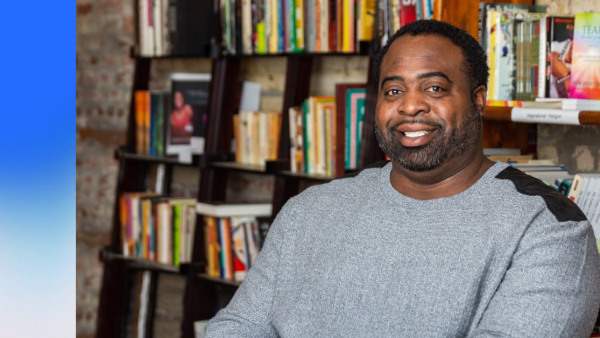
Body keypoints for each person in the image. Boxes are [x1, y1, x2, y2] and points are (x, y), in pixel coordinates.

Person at [206, 20, 600, 337]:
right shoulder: (309, 209)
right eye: (393, 90)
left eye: (434, 87)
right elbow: (237, 328)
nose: (410, 105)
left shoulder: (550, 230)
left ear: (478, 100)